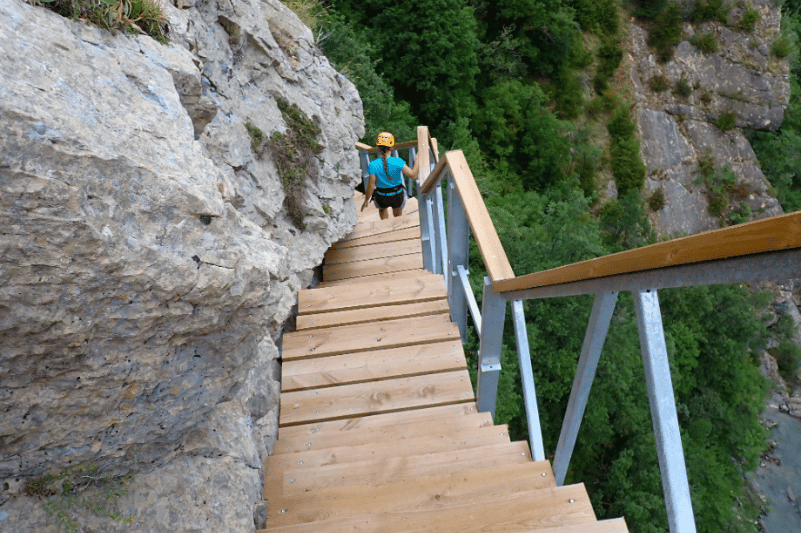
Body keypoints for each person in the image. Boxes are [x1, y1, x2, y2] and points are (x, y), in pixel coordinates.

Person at [361, 132, 419, 219]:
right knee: (397, 217)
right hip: (397, 195)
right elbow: (413, 175)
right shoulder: (398, 161)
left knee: (382, 212)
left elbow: (371, 185)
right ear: (392, 147)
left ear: (378, 147)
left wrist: (366, 200)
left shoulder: (373, 164)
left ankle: (385, 225)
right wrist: (417, 159)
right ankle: (397, 225)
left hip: (381, 196)